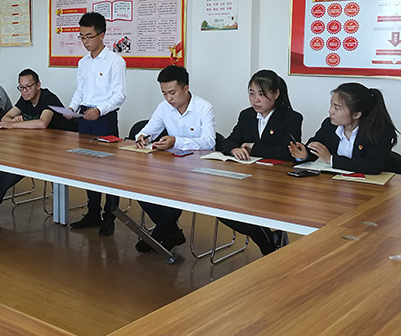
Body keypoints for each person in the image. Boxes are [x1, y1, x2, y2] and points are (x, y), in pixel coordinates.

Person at [218, 69, 303, 255]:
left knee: (251, 212)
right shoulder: (246, 115)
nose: (255, 100)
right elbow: (228, 141)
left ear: (276, 93)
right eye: (251, 93)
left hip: (277, 183)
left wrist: (253, 147)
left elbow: (286, 153)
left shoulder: (291, 118)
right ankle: (270, 243)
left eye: (262, 95)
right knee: (222, 210)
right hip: (247, 181)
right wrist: (234, 149)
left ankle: (269, 246)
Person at [133, 65, 215, 252]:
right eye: (164, 93)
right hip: (170, 168)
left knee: (176, 194)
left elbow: (209, 142)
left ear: (185, 88)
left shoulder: (204, 108)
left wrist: (176, 141)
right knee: (140, 190)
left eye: (172, 93)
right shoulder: (163, 108)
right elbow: (148, 130)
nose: (168, 98)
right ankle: (172, 232)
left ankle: (158, 235)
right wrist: (142, 138)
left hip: (197, 171)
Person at [0, 69, 72, 216]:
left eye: (28, 87)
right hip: (40, 144)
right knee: (13, 159)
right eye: (21, 87)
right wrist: (13, 120)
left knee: (22, 161)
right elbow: (5, 117)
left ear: (38, 85)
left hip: (62, 146)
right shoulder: (25, 99)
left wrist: (14, 125)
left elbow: (42, 123)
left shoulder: (48, 97)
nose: (24, 91)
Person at [66, 12, 127, 237]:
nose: (85, 41)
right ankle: (92, 212)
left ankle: (109, 216)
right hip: (85, 117)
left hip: (104, 119)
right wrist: (72, 108)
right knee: (88, 166)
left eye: (89, 36)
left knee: (108, 169)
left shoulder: (115, 61)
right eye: (81, 37)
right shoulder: (83, 63)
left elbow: (119, 95)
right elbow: (80, 91)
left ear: (102, 35)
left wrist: (100, 110)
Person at [290, 82, 398, 175]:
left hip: (372, 187)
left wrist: (331, 159)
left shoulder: (380, 131)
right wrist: (304, 155)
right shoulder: (329, 125)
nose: (330, 111)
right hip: (336, 184)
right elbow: (316, 148)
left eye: (336, 108)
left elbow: (373, 166)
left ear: (356, 114)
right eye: (331, 105)